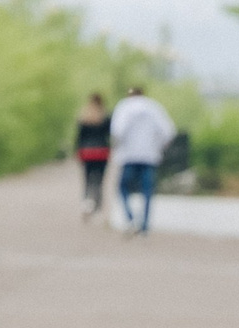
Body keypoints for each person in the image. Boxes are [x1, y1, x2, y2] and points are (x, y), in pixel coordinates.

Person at [108, 84, 177, 236]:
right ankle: (144, 225)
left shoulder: (124, 107)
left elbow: (117, 132)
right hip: (149, 156)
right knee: (147, 191)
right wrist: (158, 146)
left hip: (128, 156)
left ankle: (130, 217)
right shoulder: (153, 107)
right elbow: (169, 131)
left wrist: (117, 149)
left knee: (123, 188)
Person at [75, 92, 112, 220]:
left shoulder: (84, 117)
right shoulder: (105, 117)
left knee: (87, 179)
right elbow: (110, 135)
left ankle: (86, 203)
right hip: (102, 152)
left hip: (87, 152)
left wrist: (77, 151)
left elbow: (79, 137)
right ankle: (98, 207)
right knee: (99, 181)